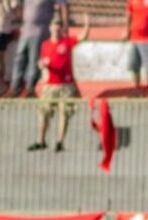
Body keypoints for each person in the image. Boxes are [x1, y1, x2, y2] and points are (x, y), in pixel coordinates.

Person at [28, 15, 90, 153]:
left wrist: (87, 23)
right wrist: (41, 65)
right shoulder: (45, 45)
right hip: (50, 85)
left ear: (62, 28)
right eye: (54, 25)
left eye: (58, 25)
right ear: (50, 28)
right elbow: (43, 61)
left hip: (66, 85)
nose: (56, 28)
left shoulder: (67, 42)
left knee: (64, 113)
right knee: (44, 112)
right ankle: (40, 140)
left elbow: (83, 36)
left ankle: (59, 141)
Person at [9, 0, 68, 97]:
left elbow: (63, 5)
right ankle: (15, 87)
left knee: (34, 60)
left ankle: (30, 88)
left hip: (39, 31)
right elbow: (19, 6)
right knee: (19, 59)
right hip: (25, 30)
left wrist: (65, 25)